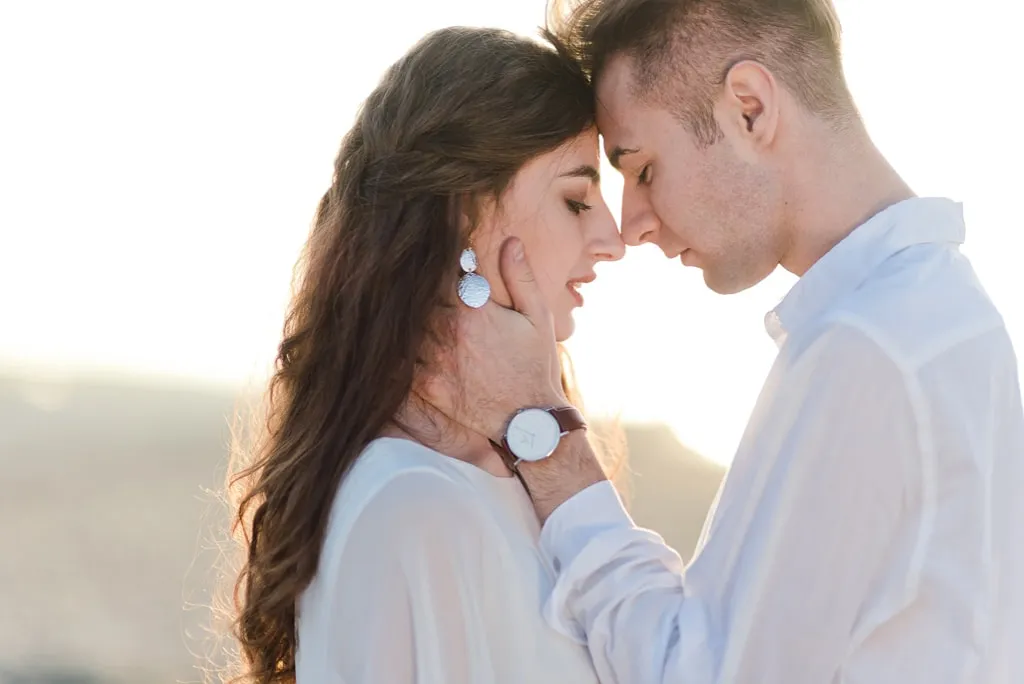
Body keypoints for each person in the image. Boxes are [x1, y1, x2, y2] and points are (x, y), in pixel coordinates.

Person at [435, 0, 1024, 682]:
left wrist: (542, 431)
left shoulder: (869, 350)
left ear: (749, 108)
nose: (633, 225)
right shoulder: (946, 316)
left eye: (644, 168)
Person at [225, 26, 626, 684]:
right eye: (576, 200)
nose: (612, 238)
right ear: (462, 215)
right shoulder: (409, 506)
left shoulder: (519, 471)